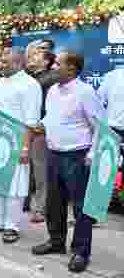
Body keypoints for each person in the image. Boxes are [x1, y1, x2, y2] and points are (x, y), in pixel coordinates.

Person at [35, 51, 105, 273]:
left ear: (72, 69)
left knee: (81, 208)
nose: (53, 66)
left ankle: (81, 252)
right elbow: (52, 116)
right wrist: (40, 125)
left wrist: (92, 154)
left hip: (77, 156)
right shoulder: (53, 90)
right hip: (54, 154)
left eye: (57, 63)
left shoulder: (85, 92)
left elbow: (99, 126)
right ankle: (56, 242)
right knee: (54, 203)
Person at [0, 47, 42, 245]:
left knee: (14, 185)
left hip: (16, 142)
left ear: (19, 64)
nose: (0, 65)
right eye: (0, 61)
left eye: (5, 62)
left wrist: (25, 148)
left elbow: (31, 120)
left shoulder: (30, 85)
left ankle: (12, 225)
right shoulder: (1, 82)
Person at [28, 39, 59, 224]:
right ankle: (25, 202)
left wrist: (44, 125)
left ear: (47, 61)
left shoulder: (51, 78)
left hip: (41, 129)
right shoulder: (32, 76)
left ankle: (41, 208)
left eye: (38, 54)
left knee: (40, 171)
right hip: (28, 127)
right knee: (28, 168)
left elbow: (52, 107)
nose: (33, 56)